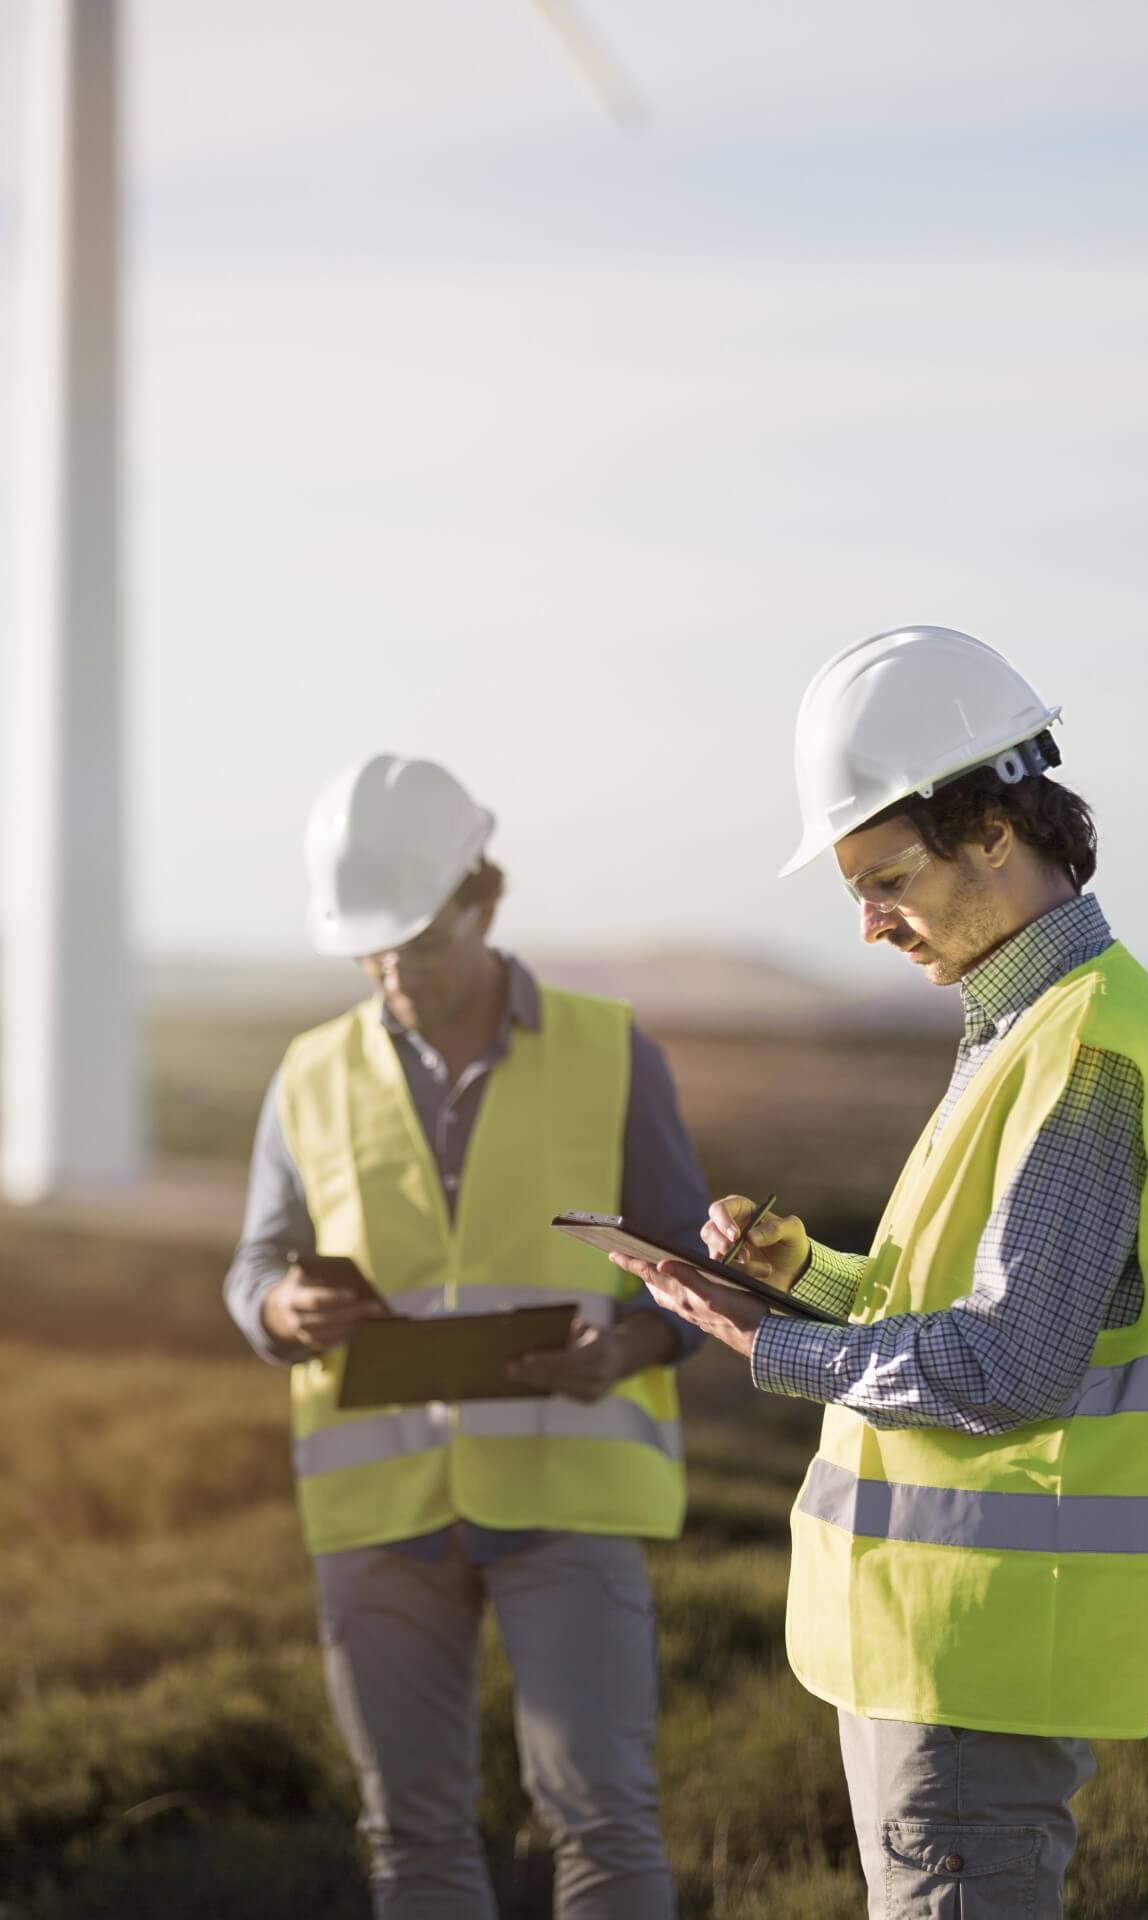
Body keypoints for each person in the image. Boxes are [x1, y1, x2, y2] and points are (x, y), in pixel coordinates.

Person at [611, 626, 1148, 1919]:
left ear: (994, 827)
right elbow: (978, 1316)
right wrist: (807, 1278)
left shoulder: (1085, 1048)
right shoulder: (1024, 1030)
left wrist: (765, 1347)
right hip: (930, 1646)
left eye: (887, 879)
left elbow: (1010, 1367)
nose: (873, 924)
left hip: (975, 1656)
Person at [224, 753, 706, 1920]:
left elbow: (690, 1276)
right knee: (411, 1837)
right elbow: (253, 1268)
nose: (396, 974)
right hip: (379, 1514)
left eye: (422, 944)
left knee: (601, 1818)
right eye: (370, 951)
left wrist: (624, 1352)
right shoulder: (305, 1075)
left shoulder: (610, 1050)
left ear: (482, 902)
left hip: (567, 1497)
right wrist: (283, 1312)